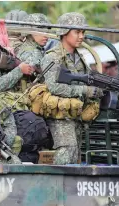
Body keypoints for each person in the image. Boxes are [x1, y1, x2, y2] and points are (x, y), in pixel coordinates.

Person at [40, 12, 103, 165]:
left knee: (75, 154)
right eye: (77, 32)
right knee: (67, 150)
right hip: (60, 115)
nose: (81, 36)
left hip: (76, 113)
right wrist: (83, 91)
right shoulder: (52, 57)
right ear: (64, 33)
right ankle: (55, 185)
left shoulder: (79, 58)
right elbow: (53, 87)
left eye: (83, 32)